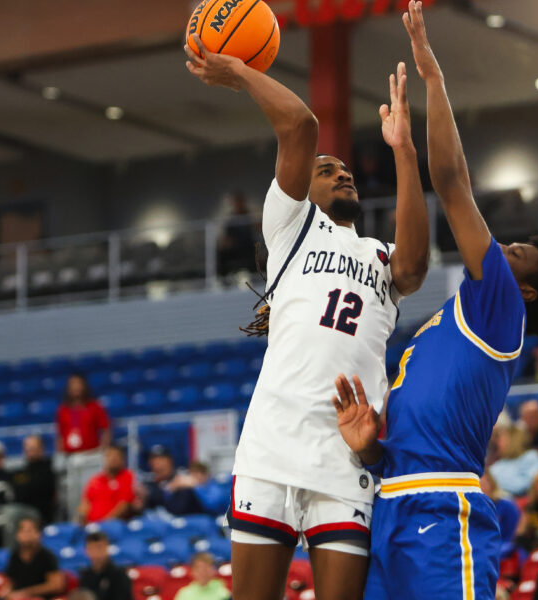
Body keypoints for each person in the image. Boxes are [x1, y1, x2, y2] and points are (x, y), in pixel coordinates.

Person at [332, 4, 538, 598]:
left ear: (525, 291)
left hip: (443, 508)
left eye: (515, 252)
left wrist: (433, 76)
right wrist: (372, 448)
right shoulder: (450, 319)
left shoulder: (501, 308)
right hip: (391, 503)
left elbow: (451, 182)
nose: (501, 247)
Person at [185, 13, 430, 600]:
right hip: (273, 442)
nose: (341, 173)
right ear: (302, 187)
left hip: (347, 451)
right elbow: (300, 124)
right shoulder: (290, 226)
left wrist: (402, 151)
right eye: (327, 170)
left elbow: (416, 268)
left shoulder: (380, 254)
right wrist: (240, 70)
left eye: (346, 171)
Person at [56, 373, 110, 518]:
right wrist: (61, 455)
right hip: (71, 458)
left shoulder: (95, 406)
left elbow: (105, 429)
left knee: (91, 492)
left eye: (78, 384)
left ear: (84, 386)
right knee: (72, 496)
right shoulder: (63, 410)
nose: (76, 387)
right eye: (72, 384)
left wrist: (102, 451)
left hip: (92, 457)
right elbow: (60, 435)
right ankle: (75, 522)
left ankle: (94, 520)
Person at [0, 517, 65, 600]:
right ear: (17, 535)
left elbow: (56, 585)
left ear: (38, 534)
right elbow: (11, 581)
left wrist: (26, 593)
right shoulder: (14, 556)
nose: (26, 535)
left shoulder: (47, 556)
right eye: (22, 531)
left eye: (30, 531)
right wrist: (5, 592)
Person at [136, 446, 205, 516]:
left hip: (188, 519)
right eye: (153, 460)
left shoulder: (182, 477)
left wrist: (195, 483)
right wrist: (170, 488)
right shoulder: (148, 483)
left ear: (170, 461)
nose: (157, 464)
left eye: (161, 459)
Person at [78, 445, 135, 524]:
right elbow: (85, 502)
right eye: (110, 455)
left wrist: (102, 524)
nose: (113, 459)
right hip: (91, 526)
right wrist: (83, 518)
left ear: (122, 460)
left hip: (114, 525)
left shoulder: (127, 476)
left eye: (116, 456)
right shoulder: (95, 480)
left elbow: (124, 506)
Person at [11, 435, 57, 525]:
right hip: (23, 510)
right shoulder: (23, 470)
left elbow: (35, 491)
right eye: (27, 448)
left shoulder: (47, 469)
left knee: (11, 512)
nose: (29, 451)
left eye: (33, 448)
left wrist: (22, 486)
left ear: (41, 449)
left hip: (40, 513)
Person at [489, 425, 538, 496]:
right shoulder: (500, 463)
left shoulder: (531, 457)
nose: (498, 443)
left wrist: (496, 485)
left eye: (501, 439)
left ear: (513, 440)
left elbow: (531, 483)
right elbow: (488, 480)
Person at [78, 532, 132, 600]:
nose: (96, 552)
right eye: (92, 548)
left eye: (99, 547)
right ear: (86, 551)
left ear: (107, 548)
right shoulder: (85, 576)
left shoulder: (119, 574)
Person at [480, 472, 521, 562]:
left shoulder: (506, 506)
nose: (482, 488)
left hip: (503, 546)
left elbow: (513, 533)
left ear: (492, 485)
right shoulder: (470, 507)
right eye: (479, 485)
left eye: (484, 484)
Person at [217, 191, 259, 277]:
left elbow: (257, 232)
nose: (238, 204)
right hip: (236, 249)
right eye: (235, 202)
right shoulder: (231, 220)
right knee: (222, 254)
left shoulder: (250, 217)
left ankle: (257, 276)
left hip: (250, 247)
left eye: (240, 201)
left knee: (255, 254)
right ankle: (222, 279)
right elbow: (228, 237)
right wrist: (225, 243)